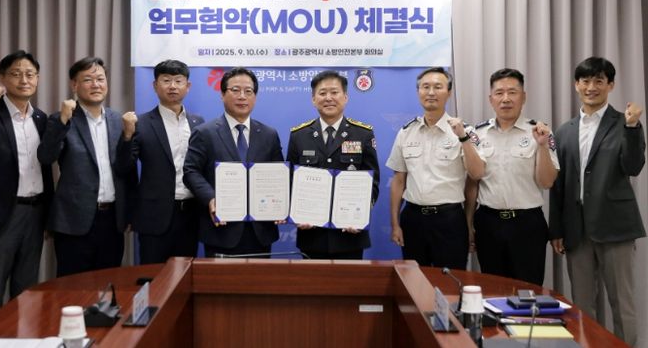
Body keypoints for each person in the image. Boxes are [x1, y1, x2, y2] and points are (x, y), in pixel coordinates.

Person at [549, 57, 645, 346]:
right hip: (576, 230)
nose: (591, 87)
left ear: (610, 85)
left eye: (599, 81)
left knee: (622, 304)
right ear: (576, 85)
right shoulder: (564, 130)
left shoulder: (624, 123)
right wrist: (556, 229)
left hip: (615, 227)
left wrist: (632, 127)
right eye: (586, 81)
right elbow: (558, 184)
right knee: (581, 305)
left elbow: (633, 167)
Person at [0, 50, 53, 320]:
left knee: (26, 288)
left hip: (35, 212)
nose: (24, 80)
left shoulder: (41, 119)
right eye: (16, 74)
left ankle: (22, 336)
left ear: (37, 79)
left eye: (30, 74)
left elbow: (46, 168)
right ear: (2, 78)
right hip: (1, 214)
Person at [465, 68, 558, 285]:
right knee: (493, 290)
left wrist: (542, 146)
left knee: (528, 291)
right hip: (488, 223)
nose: (505, 99)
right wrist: (468, 224)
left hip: (527, 224)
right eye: (499, 93)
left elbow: (547, 182)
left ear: (523, 97)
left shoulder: (540, 132)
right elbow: (472, 183)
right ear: (491, 99)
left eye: (512, 92)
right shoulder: (477, 134)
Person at [38, 57, 129, 276]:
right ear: (74, 85)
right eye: (88, 79)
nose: (96, 85)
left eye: (100, 79)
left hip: (112, 220)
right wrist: (62, 122)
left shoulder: (118, 120)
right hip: (74, 221)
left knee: (108, 285)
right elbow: (46, 157)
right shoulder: (61, 119)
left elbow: (126, 169)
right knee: (72, 287)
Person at [386, 67, 484, 269]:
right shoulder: (406, 132)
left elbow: (476, 174)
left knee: (450, 280)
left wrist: (463, 138)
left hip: (449, 219)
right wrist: (395, 224)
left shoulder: (464, 131)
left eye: (438, 87)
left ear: (449, 92)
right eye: (425, 87)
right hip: (413, 218)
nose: (431, 92)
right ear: (418, 92)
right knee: (414, 278)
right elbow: (398, 181)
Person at [183, 67, 283, 257]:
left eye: (248, 91)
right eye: (235, 90)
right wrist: (211, 198)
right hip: (221, 229)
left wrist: (279, 203)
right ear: (222, 94)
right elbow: (191, 171)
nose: (242, 96)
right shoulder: (205, 133)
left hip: (260, 230)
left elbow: (279, 175)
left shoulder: (269, 134)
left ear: (255, 96)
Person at [117, 60, 204, 263]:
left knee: (185, 274)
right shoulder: (141, 123)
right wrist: (127, 136)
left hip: (190, 214)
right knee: (153, 275)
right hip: (154, 216)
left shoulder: (198, 123)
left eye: (178, 81)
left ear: (188, 86)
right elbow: (123, 166)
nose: (172, 86)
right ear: (155, 86)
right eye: (166, 80)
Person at [286, 70, 379, 259]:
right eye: (322, 93)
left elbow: (373, 182)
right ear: (313, 99)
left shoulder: (363, 134)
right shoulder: (299, 135)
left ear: (345, 97)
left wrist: (360, 214)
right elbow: (290, 180)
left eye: (334, 92)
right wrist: (297, 212)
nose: (328, 98)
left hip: (350, 234)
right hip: (311, 234)